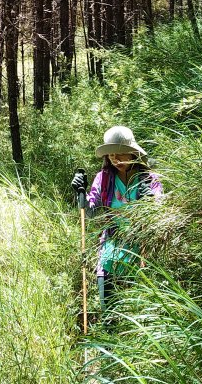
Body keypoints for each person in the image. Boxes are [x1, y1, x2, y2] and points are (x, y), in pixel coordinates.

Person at [71, 125, 162, 319]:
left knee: (138, 317)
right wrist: (80, 193)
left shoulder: (149, 179)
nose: (115, 159)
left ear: (133, 153)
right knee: (110, 316)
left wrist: (150, 201)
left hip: (141, 254)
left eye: (120, 153)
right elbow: (91, 213)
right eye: (111, 154)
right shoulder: (103, 179)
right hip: (110, 253)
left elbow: (159, 216)